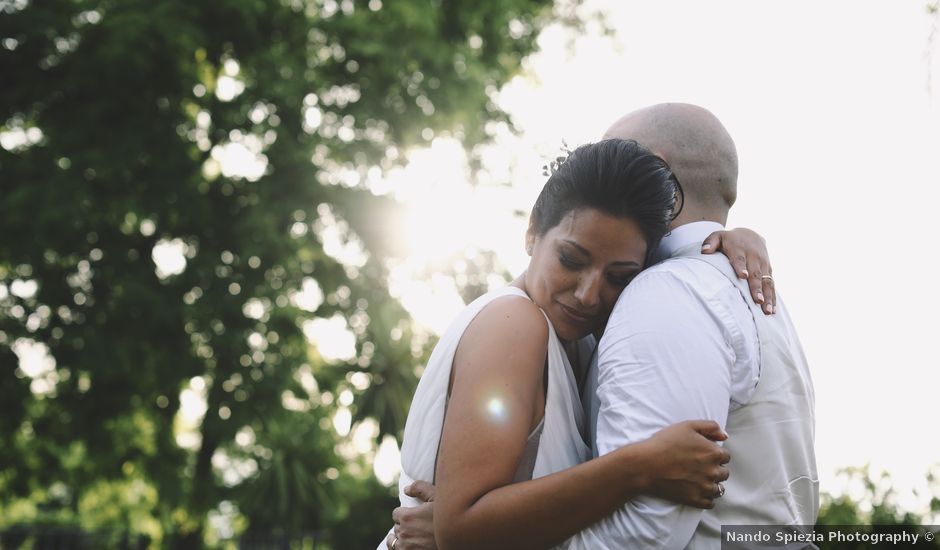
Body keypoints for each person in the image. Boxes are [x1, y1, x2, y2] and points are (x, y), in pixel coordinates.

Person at [380, 138, 775, 550]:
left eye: (619, 276)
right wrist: (636, 467)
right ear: (533, 231)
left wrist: (720, 242)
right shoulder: (513, 324)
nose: (589, 294)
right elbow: (461, 530)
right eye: (571, 259)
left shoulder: (580, 338)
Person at [570, 103, 818, 549]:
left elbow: (641, 531)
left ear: (657, 175)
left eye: (610, 162)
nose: (591, 184)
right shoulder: (750, 293)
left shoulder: (667, 293)